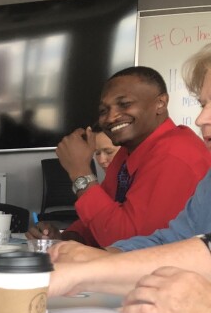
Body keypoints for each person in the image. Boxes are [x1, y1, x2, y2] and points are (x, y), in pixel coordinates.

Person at [50, 44, 211, 264]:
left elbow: (126, 241)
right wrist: (68, 238)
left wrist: (80, 173)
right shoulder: (128, 152)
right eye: (103, 111)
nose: (110, 117)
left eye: (124, 104)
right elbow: (109, 216)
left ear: (160, 103)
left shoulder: (176, 155)